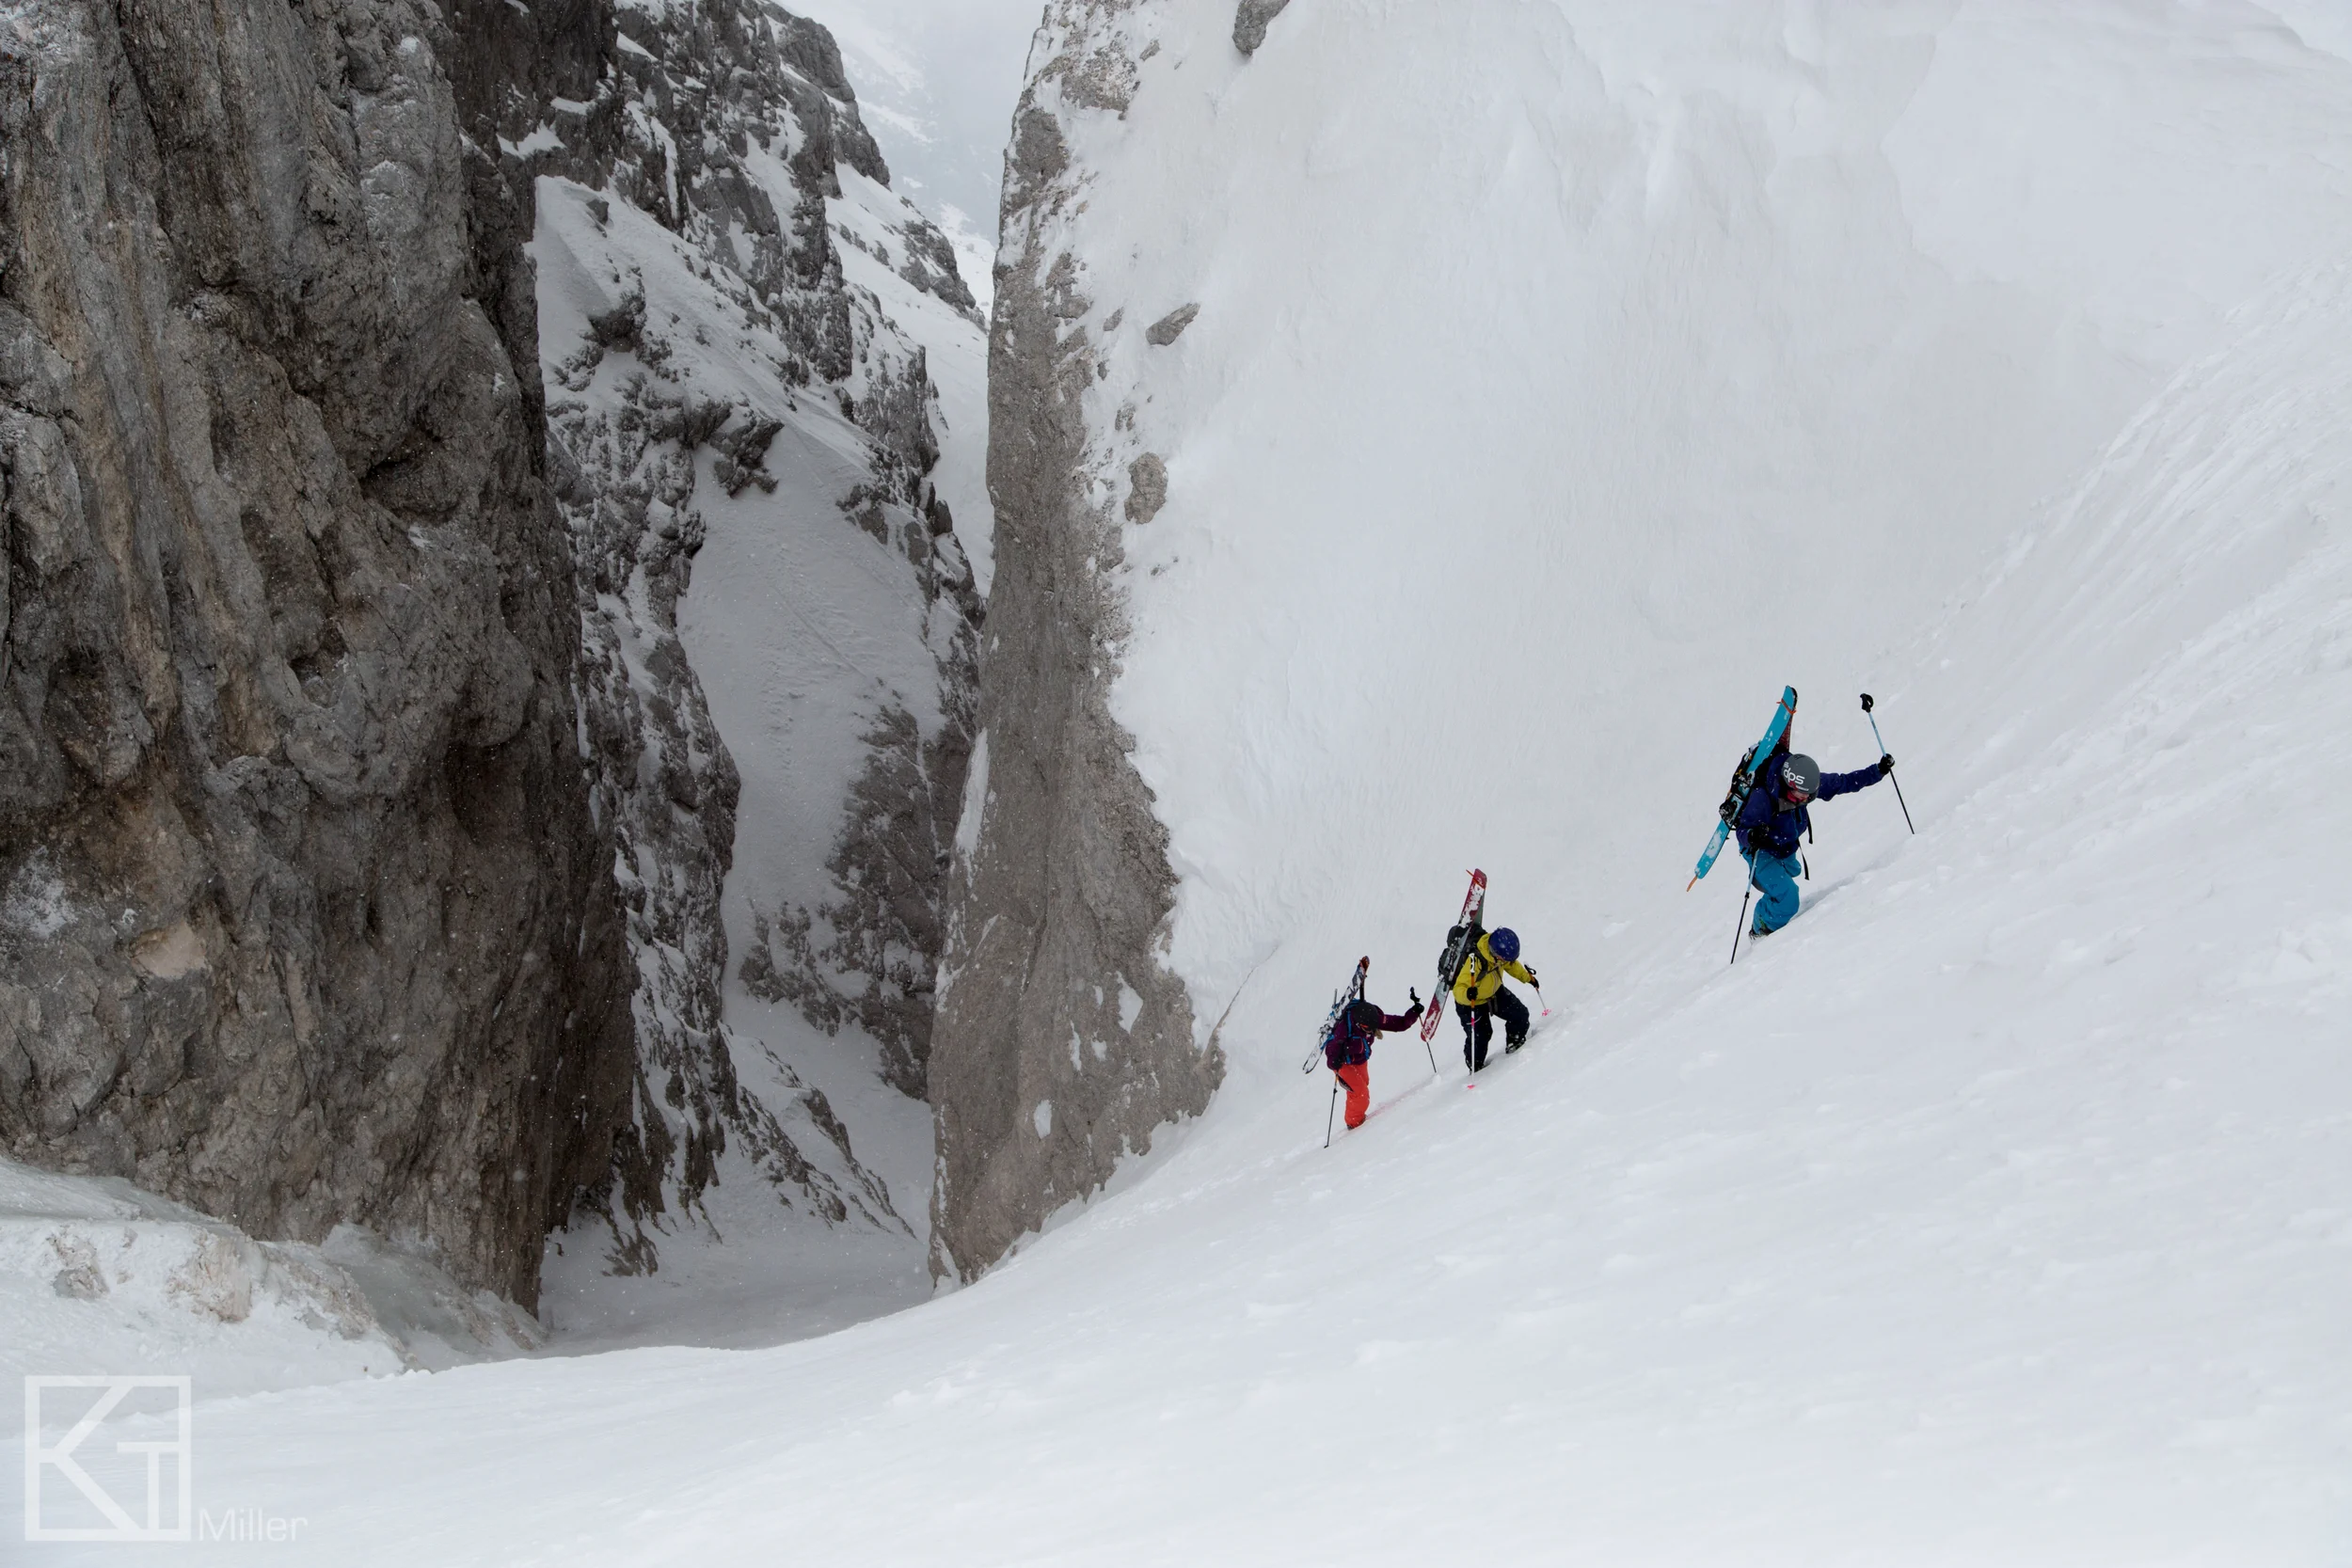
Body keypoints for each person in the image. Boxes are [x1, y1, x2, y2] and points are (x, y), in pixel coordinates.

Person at [1734, 750, 1895, 938]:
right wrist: (1753, 836)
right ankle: (1760, 929)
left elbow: (1844, 782)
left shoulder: (1807, 785)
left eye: (1809, 794)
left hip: (1783, 846)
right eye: (1801, 794)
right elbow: (1742, 831)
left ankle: (1773, 899)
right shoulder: (1762, 798)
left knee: (1792, 873)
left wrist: (1878, 771)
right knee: (1788, 897)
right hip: (1759, 850)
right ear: (1788, 784)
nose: (1805, 798)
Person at [1323, 990, 1425, 1130]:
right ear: (1359, 1023)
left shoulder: (1374, 1018)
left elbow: (1398, 1024)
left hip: (1359, 1059)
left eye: (1372, 1028)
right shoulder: (1344, 1027)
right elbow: (1331, 1049)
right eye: (1367, 1028)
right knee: (1361, 1094)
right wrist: (1334, 1061)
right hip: (1343, 1063)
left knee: (1363, 1084)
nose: (1371, 1031)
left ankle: (1354, 1112)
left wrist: (1413, 1012)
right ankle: (1354, 1123)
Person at [1451, 927, 1537, 1070]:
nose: (1505, 961)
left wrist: (1528, 978)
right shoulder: (1475, 960)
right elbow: (1458, 989)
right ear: (1495, 953)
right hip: (1470, 1002)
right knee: (1481, 1036)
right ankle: (1475, 1065)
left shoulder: (1501, 955)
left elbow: (1512, 965)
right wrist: (1467, 994)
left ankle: (1514, 1041)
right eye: (1504, 958)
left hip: (1494, 993)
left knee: (1519, 1014)